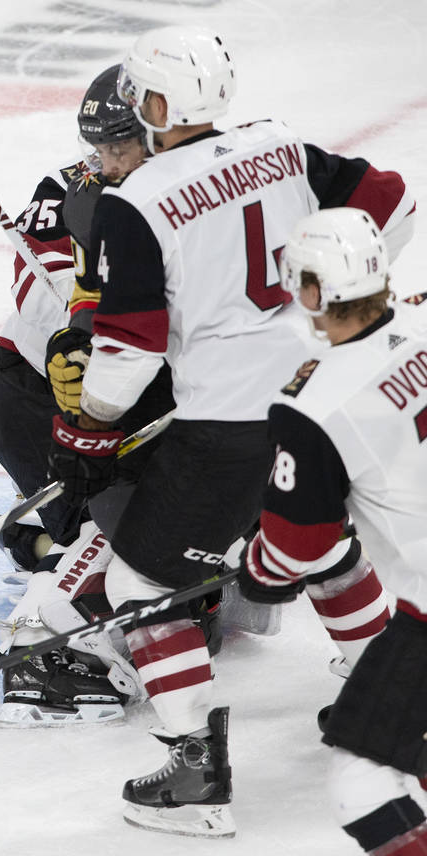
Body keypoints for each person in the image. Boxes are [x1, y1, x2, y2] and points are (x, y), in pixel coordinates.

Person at [46, 25, 413, 837]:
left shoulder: (135, 201)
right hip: (319, 398)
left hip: (227, 430)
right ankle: (388, 700)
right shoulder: (279, 145)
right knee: (317, 539)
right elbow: (392, 199)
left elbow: (129, 346)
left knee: (139, 587)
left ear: (153, 103)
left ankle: (195, 776)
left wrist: (87, 428)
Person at [0, 66, 177, 727]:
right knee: (116, 529)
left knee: (186, 576)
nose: (109, 160)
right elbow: (37, 282)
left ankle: (37, 536)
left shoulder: (183, 185)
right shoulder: (69, 186)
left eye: (122, 143)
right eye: (100, 144)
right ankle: (36, 629)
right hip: (36, 404)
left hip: (129, 401)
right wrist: (85, 322)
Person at [241, 208, 425, 855]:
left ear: (315, 288)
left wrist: (257, 572)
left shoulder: (312, 402)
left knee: (363, 783)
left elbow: (302, 545)